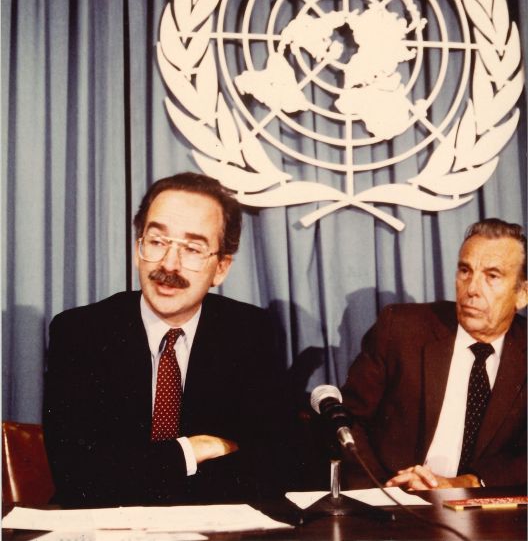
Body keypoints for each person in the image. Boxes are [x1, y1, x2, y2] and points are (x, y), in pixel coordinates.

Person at [43, 172, 296, 507]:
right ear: (138, 249)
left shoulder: (249, 332)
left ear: (220, 268)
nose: (169, 264)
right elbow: (78, 475)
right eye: (157, 242)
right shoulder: (81, 332)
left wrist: (138, 468)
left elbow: (275, 465)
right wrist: (194, 449)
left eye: (192, 248)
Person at [341, 218, 527, 491]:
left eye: (492, 276)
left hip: (487, 509)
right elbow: (348, 420)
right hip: (393, 498)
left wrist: (465, 483)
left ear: (522, 294)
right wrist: (384, 492)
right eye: (465, 271)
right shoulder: (401, 329)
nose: (471, 289)